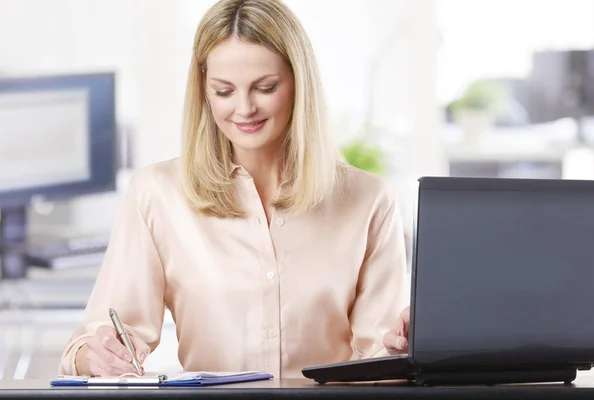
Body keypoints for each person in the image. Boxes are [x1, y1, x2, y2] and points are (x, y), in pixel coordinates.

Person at [59, 0, 410, 379]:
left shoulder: (368, 199)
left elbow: (382, 361)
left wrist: (401, 351)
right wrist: (96, 357)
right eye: (224, 91)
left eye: (265, 87)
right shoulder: (156, 195)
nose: (244, 108)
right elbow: (89, 345)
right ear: (204, 91)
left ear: (299, 83)